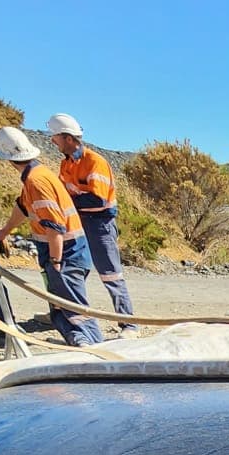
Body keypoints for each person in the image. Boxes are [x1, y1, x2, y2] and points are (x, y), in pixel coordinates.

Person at [0, 127, 105, 346]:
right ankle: (79, 345)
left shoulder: (36, 181)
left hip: (67, 252)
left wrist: (55, 262)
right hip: (64, 250)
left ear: (10, 159)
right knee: (60, 308)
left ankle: (96, 351)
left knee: (74, 310)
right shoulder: (36, 175)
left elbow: (54, 227)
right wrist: (5, 231)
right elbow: (23, 206)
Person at [45, 112, 136, 327]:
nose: (53, 141)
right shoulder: (66, 164)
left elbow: (98, 198)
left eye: (55, 137)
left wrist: (69, 203)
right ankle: (67, 314)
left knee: (110, 274)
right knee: (72, 270)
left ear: (68, 138)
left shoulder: (95, 162)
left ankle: (128, 323)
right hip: (77, 223)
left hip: (99, 224)